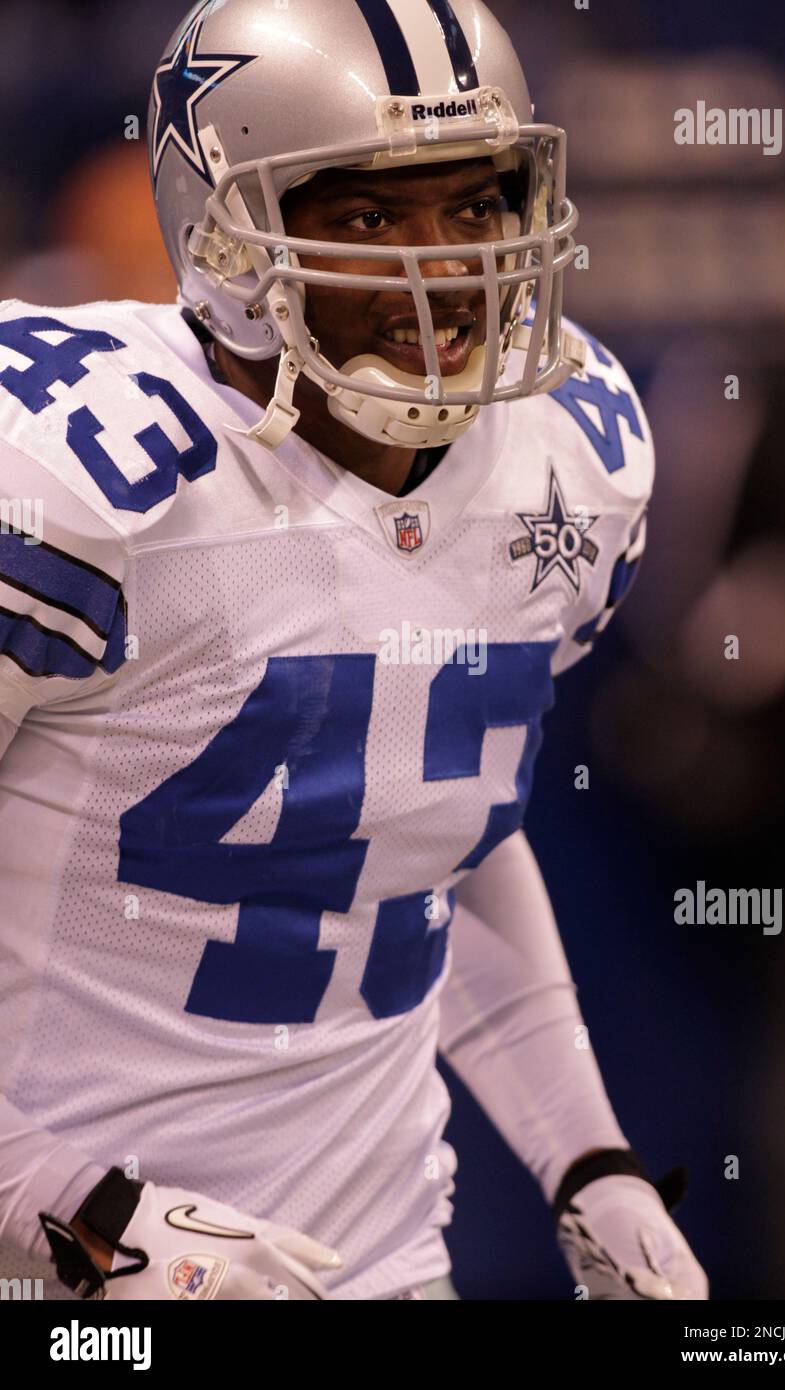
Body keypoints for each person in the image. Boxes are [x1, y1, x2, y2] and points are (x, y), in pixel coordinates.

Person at [0, 0, 706, 1301]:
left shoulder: (570, 454)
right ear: (221, 232)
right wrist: (70, 1209)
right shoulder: (65, 476)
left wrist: (587, 1158)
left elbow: (421, 840)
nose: (442, 270)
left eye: (475, 204)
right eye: (370, 218)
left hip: (374, 1263)